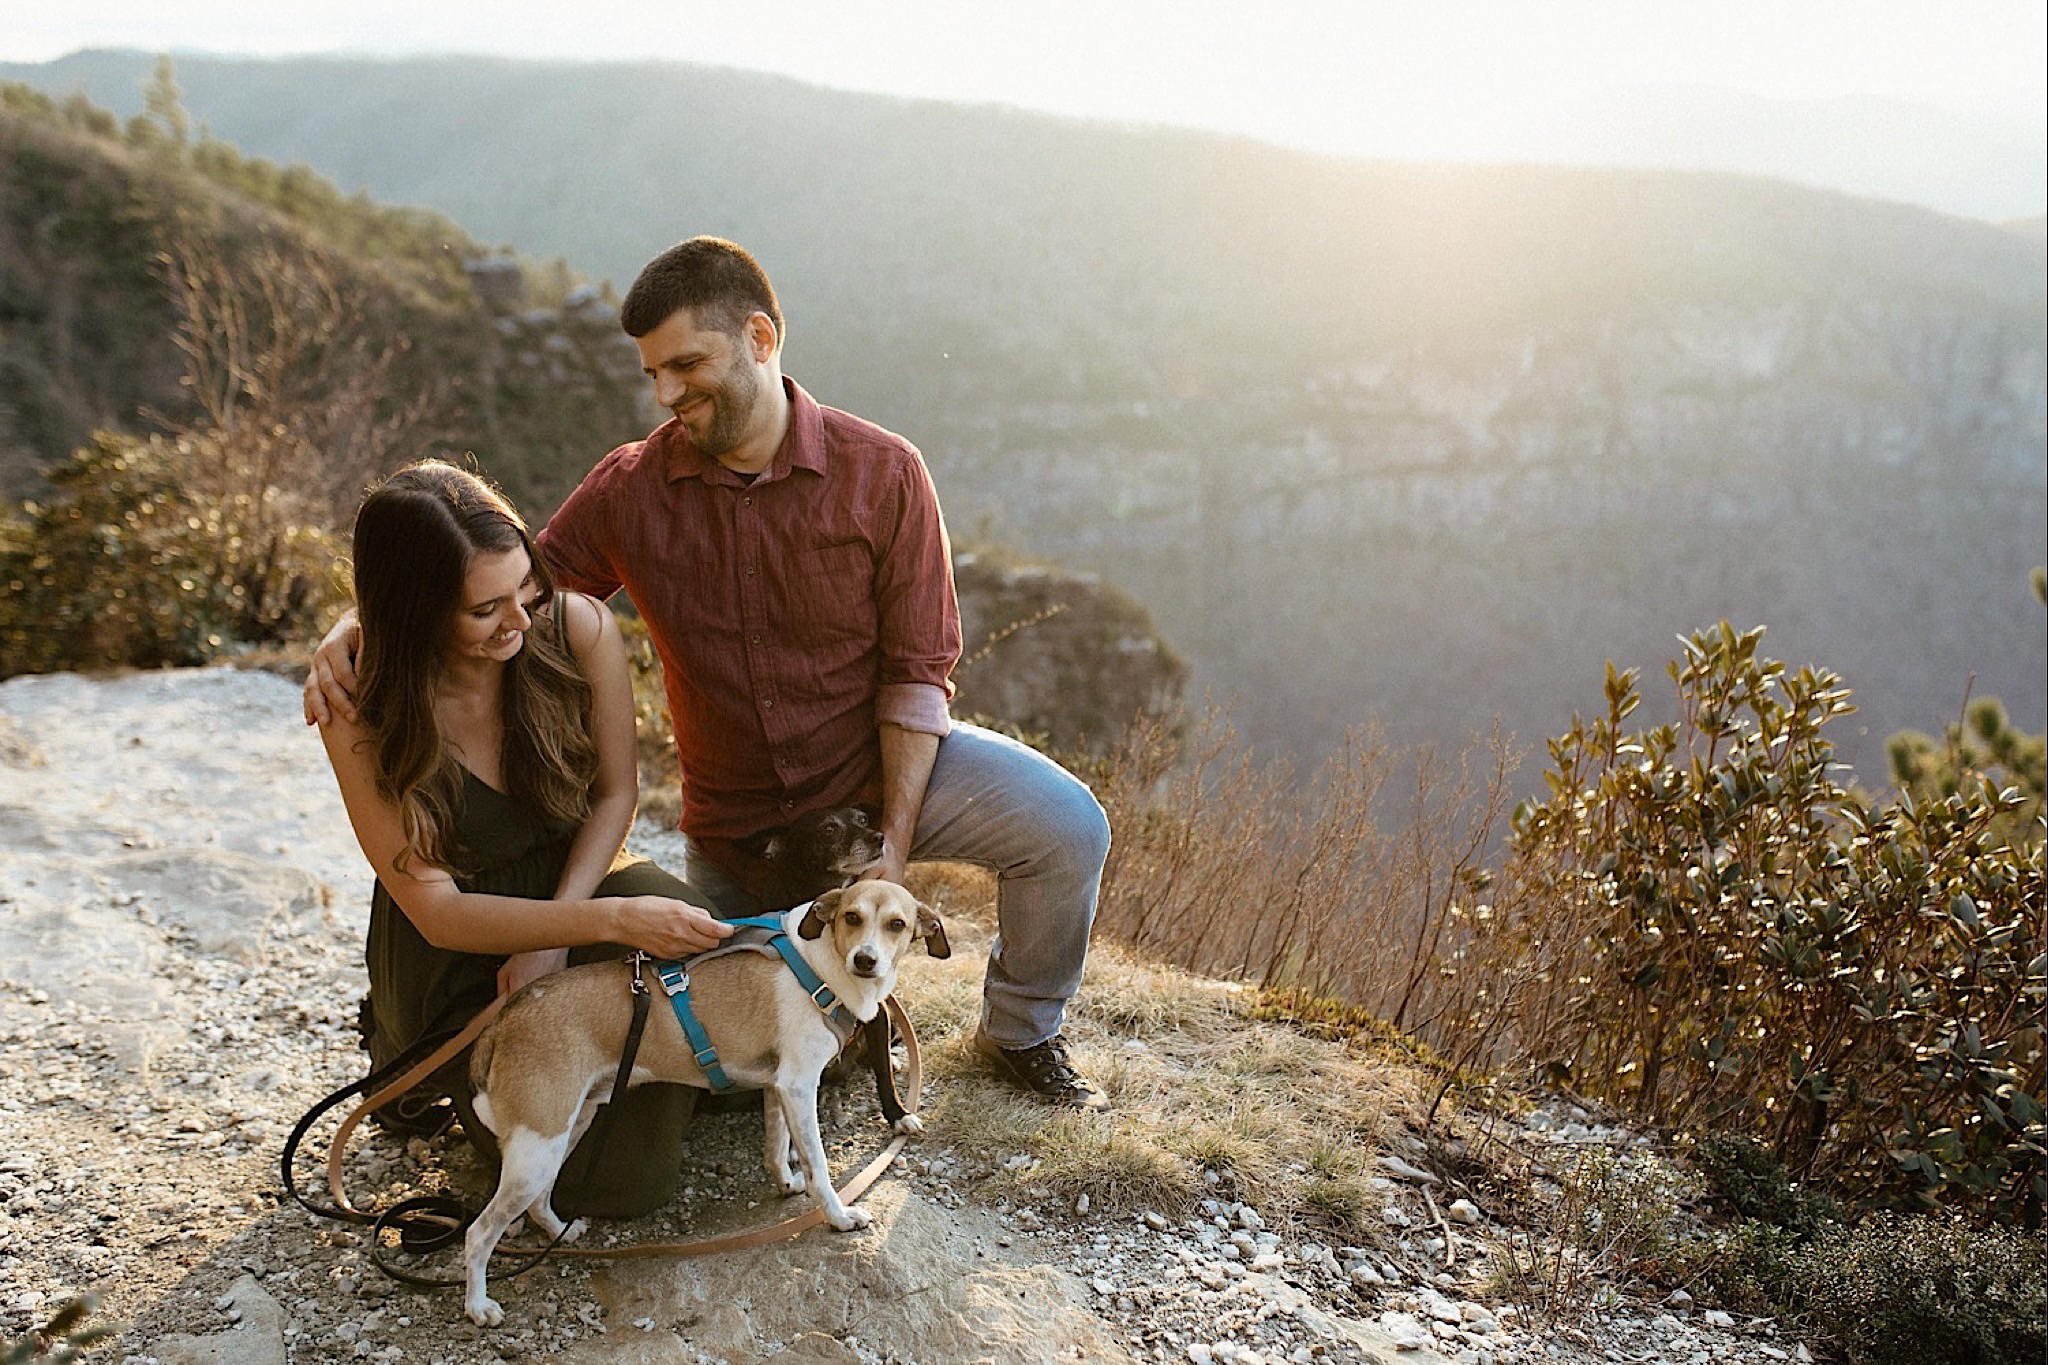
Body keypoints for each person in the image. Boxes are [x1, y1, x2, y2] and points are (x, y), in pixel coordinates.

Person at [309, 237, 1112, 1111]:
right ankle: (411, 1027)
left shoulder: (886, 472)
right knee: (727, 1079)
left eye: (686, 364)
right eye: (652, 371)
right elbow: (500, 578)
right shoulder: (629, 488)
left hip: (880, 770)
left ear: (761, 339)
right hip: (738, 822)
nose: (665, 393)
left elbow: (919, 679)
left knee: (1068, 825)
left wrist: (891, 843)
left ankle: (1021, 1031)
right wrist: (361, 621)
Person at [319, 459, 734, 1216]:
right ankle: (428, 1055)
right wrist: (606, 924)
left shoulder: (576, 629)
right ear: (415, 610)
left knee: (733, 972)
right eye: (485, 610)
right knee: (613, 1181)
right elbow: (438, 913)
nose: (518, 621)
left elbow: (615, 794)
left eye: (527, 591)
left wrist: (567, 930)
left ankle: (640, 1058)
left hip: (574, 886)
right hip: (460, 955)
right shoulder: (358, 707)